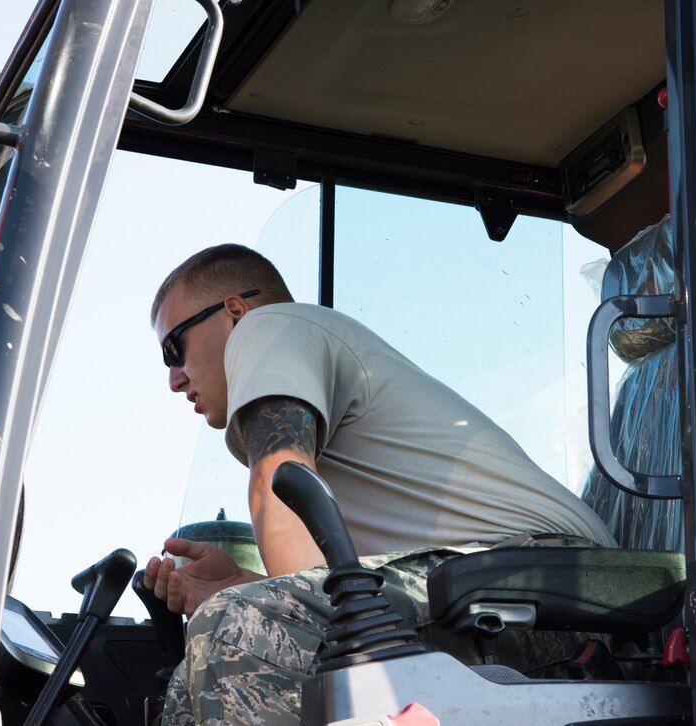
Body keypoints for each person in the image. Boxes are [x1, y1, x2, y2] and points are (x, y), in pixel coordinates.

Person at [143, 244, 615, 725]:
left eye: (173, 348)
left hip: (548, 586)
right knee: (192, 678)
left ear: (235, 312)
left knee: (231, 628)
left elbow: (280, 477)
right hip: (493, 589)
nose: (174, 380)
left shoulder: (268, 328)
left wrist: (253, 610)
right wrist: (247, 586)